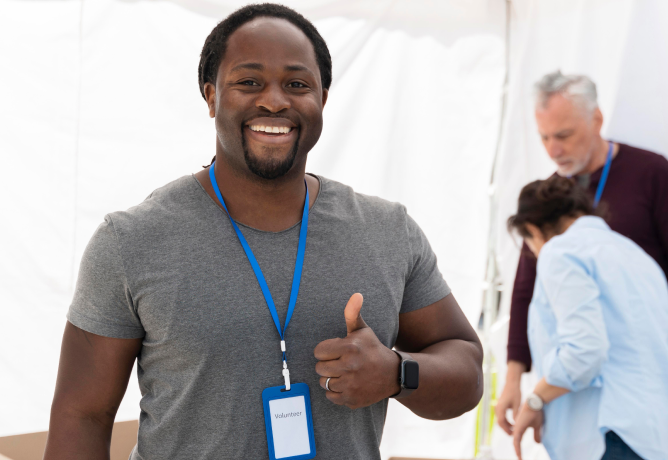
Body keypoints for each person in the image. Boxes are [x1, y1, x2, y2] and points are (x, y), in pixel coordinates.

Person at [43, 4, 483, 459]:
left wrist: (396, 372)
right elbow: (82, 416)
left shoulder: (388, 232)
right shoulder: (131, 241)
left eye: (297, 84)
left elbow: (467, 370)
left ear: (323, 100)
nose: (274, 100)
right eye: (249, 82)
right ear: (211, 96)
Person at [496, 71, 668, 436]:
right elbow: (525, 288)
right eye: (543, 137)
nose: (553, 150)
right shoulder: (550, 195)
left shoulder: (653, 174)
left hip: (640, 379)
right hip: (579, 391)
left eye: (563, 135)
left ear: (597, 119)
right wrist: (513, 377)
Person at [507, 176, 668, 460]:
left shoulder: (561, 251)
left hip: (609, 436)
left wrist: (535, 400)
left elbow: (586, 351)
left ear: (532, 230)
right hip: (655, 438)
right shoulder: (639, 257)